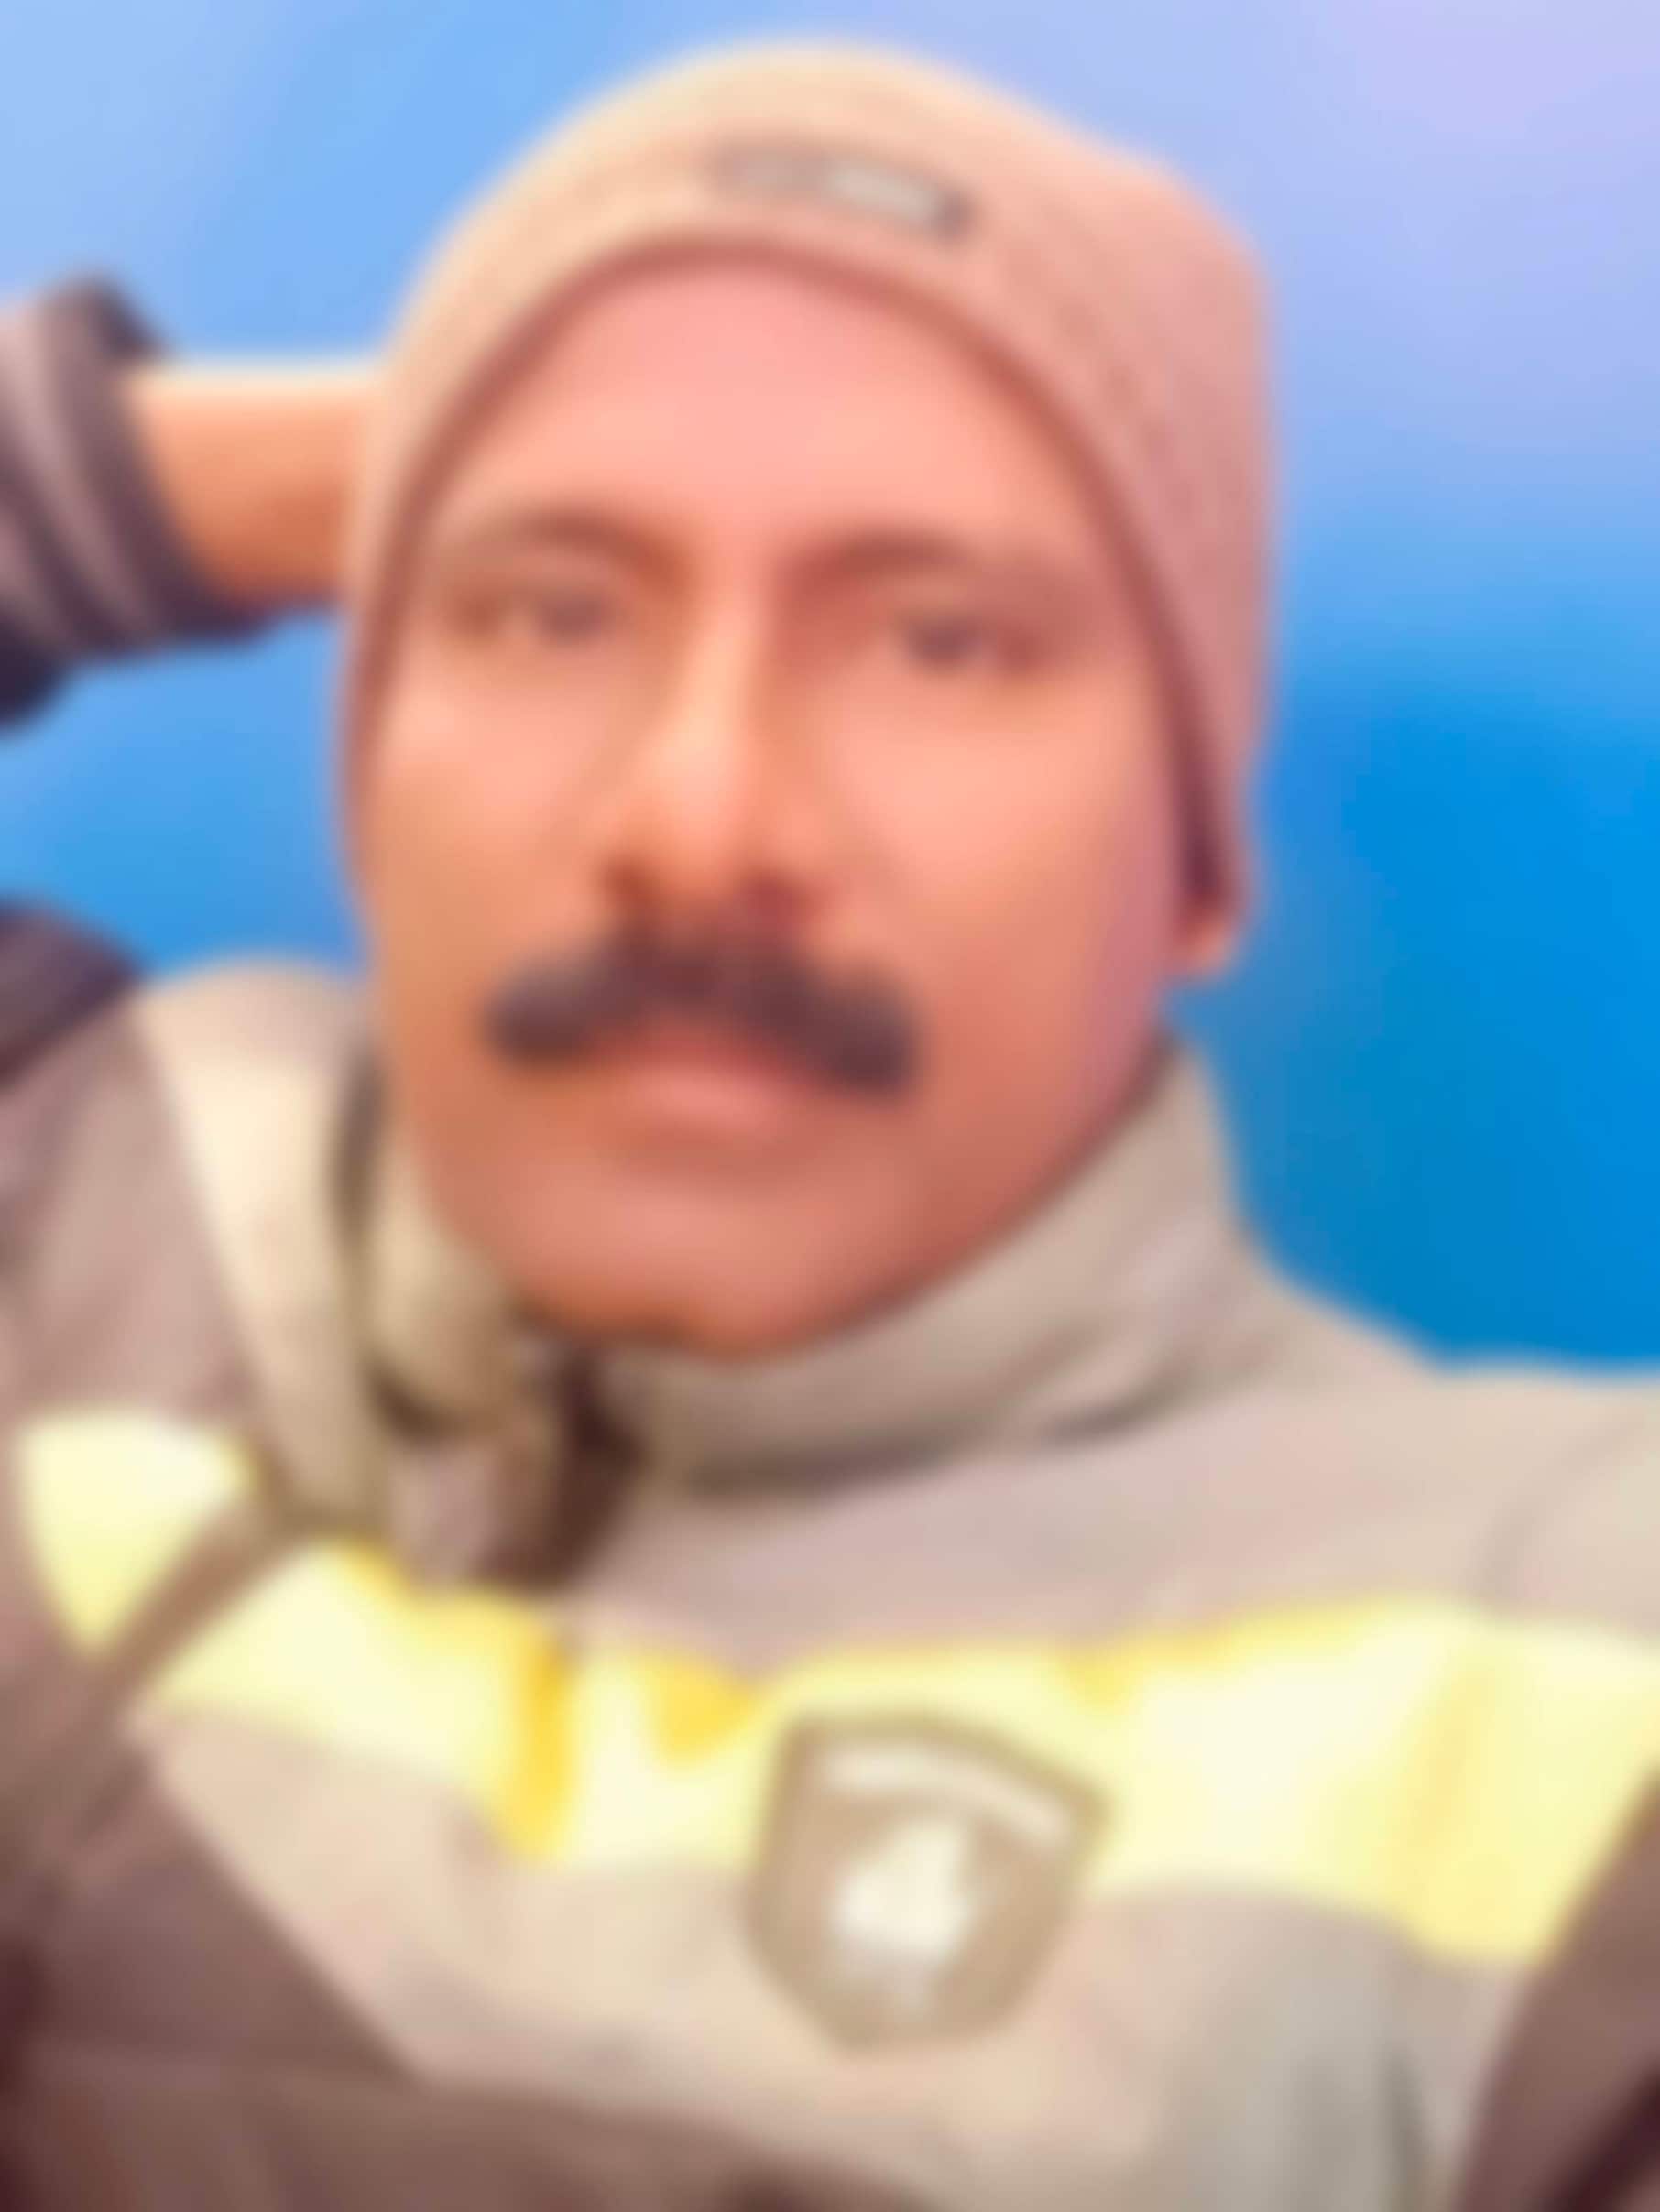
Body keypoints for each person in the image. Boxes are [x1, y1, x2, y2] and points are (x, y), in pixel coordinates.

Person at [0, 39, 1657, 2212]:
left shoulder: (1563, 1652)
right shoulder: (76, 1177)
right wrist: (215, 475)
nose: (702, 817)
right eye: (548, 610)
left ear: (1194, 867)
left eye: (940, 642)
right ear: (366, 768)